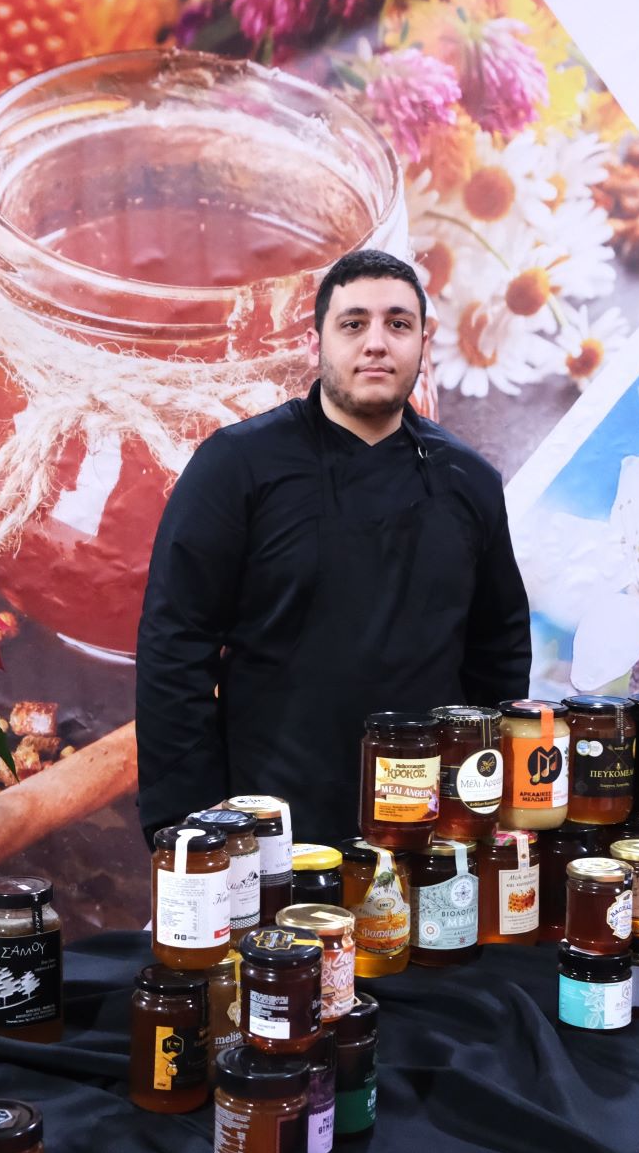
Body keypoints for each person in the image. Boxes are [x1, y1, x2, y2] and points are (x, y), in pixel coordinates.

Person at [135, 247, 532, 849]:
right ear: (315, 342)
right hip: (269, 824)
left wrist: (481, 797)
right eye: (353, 324)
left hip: (429, 829)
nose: (376, 343)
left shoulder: (469, 481)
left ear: (423, 343)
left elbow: (498, 649)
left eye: (398, 324)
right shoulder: (237, 466)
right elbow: (174, 644)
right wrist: (196, 818)